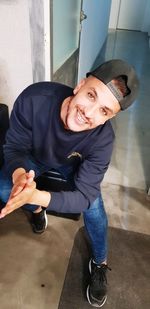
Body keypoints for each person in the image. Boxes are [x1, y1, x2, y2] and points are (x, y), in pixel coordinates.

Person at [0, 59, 139, 307]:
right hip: (35, 155)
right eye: (91, 95)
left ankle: (100, 262)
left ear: (109, 118)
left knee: (94, 211)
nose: (89, 112)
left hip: (73, 165)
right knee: (4, 189)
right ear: (80, 85)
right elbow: (14, 146)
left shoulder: (102, 141)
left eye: (104, 111)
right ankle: (37, 212)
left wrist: (36, 195)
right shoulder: (35, 99)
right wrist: (21, 177)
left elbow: (84, 195)